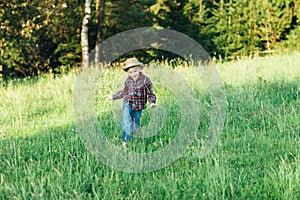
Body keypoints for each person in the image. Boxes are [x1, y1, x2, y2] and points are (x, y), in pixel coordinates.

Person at [107, 58, 157, 148]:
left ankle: (131, 135)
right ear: (127, 72)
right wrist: (113, 96)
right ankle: (125, 141)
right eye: (130, 72)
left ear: (139, 69)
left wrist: (152, 102)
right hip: (128, 103)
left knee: (135, 125)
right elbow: (124, 92)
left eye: (135, 71)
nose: (133, 74)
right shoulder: (128, 81)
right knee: (126, 122)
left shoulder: (146, 80)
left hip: (139, 106)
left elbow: (150, 93)